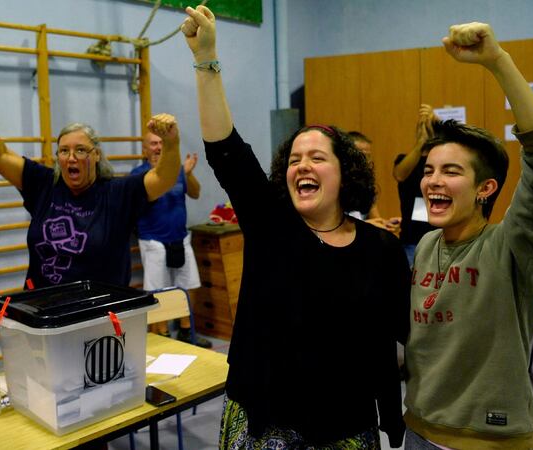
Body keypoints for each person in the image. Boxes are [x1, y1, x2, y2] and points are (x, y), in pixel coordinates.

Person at [182, 6, 409, 448]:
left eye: (317, 157)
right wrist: (206, 61)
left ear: (346, 175)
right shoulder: (273, 227)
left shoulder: (381, 248)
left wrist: (393, 414)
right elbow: (226, 151)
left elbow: (392, 339)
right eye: (293, 160)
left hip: (346, 422)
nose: (301, 165)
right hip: (264, 420)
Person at [403, 23, 533, 449]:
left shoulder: (511, 245)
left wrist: (498, 62)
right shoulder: (426, 244)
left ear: (486, 188)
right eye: (428, 171)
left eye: (451, 171)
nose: (433, 181)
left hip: (490, 438)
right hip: (419, 429)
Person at [0, 93, 181, 289]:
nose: (71, 157)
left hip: (98, 313)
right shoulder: (44, 184)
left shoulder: (117, 193)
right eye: (64, 151)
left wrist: (171, 143)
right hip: (45, 310)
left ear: (96, 155)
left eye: (81, 150)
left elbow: (163, 178)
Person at [131, 130, 212, 348]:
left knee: (189, 286)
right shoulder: (139, 175)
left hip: (181, 238)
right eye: (153, 144)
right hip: (153, 242)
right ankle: (162, 334)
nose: (158, 147)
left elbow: (195, 193)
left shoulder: (177, 171)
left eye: (161, 144)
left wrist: (187, 173)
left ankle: (186, 331)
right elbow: (146, 199)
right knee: (159, 292)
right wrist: (163, 174)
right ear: (144, 149)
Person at [392, 105, 438, 265]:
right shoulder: (405, 160)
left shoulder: (441, 162)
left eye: (428, 128)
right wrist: (420, 143)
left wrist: (438, 128)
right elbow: (399, 174)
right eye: (422, 128)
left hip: (442, 236)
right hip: (412, 240)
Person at [348, 131, 401, 234]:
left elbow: (375, 219)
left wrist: (387, 224)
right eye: (361, 155)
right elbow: (333, 227)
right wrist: (367, 224)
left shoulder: (366, 185)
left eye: (368, 156)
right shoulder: (335, 185)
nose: (366, 161)